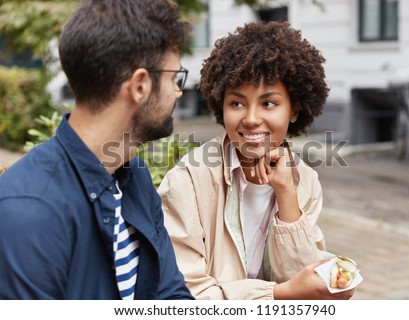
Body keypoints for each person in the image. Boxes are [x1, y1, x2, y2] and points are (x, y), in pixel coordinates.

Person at [0, 0, 194, 300]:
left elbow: (170, 297)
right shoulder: (28, 211)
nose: (178, 91)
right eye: (174, 78)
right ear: (140, 85)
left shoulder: (134, 176)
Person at [158, 21, 355, 300]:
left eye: (269, 103)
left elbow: (305, 280)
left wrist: (286, 194)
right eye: (236, 103)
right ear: (220, 106)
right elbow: (187, 294)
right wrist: (279, 294)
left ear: (295, 110)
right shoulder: (189, 178)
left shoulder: (306, 182)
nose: (250, 119)